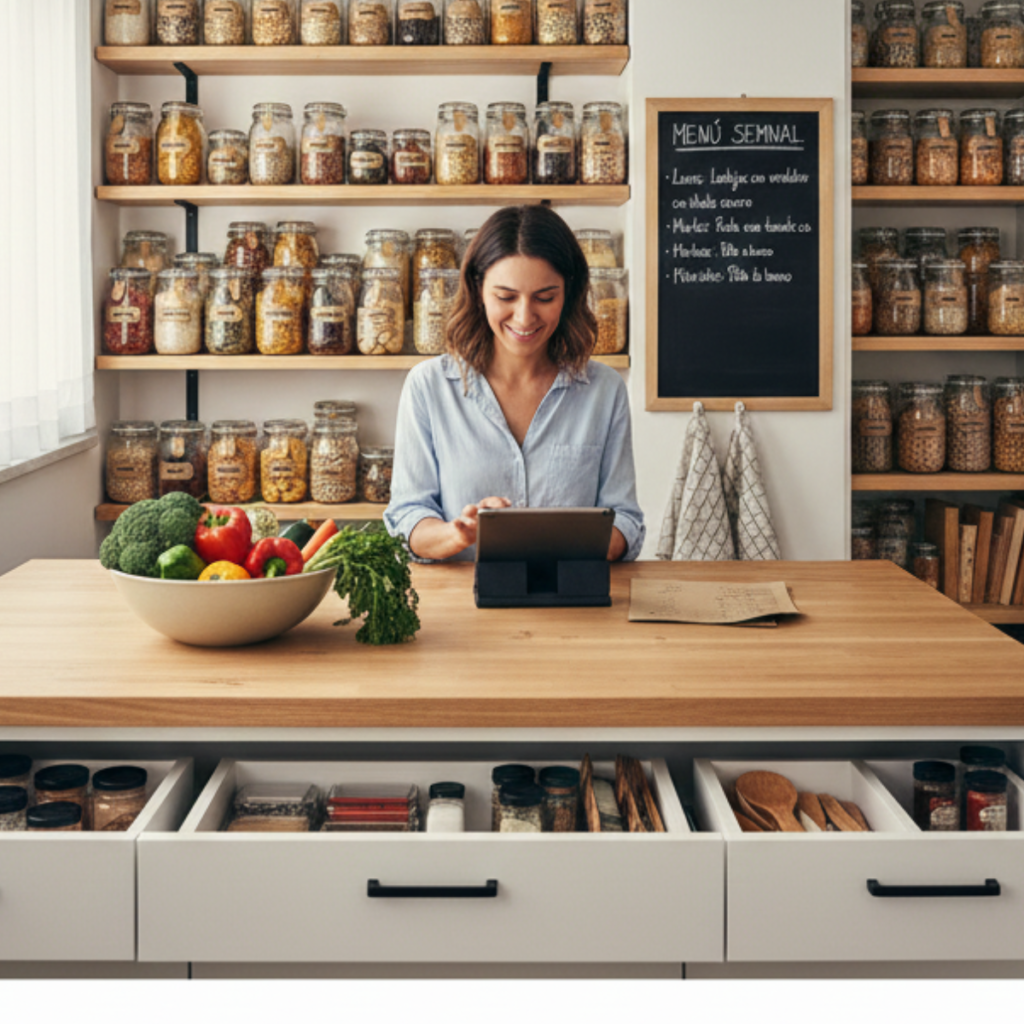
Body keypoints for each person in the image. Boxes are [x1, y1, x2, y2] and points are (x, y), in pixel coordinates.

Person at [384, 205, 644, 562]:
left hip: (573, 607)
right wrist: (456, 533)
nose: (524, 317)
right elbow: (406, 517)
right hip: (462, 608)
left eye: (545, 297)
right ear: (478, 290)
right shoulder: (429, 386)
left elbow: (625, 521)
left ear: (569, 293)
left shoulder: (605, 390)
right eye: (505, 297)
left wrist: (563, 539)